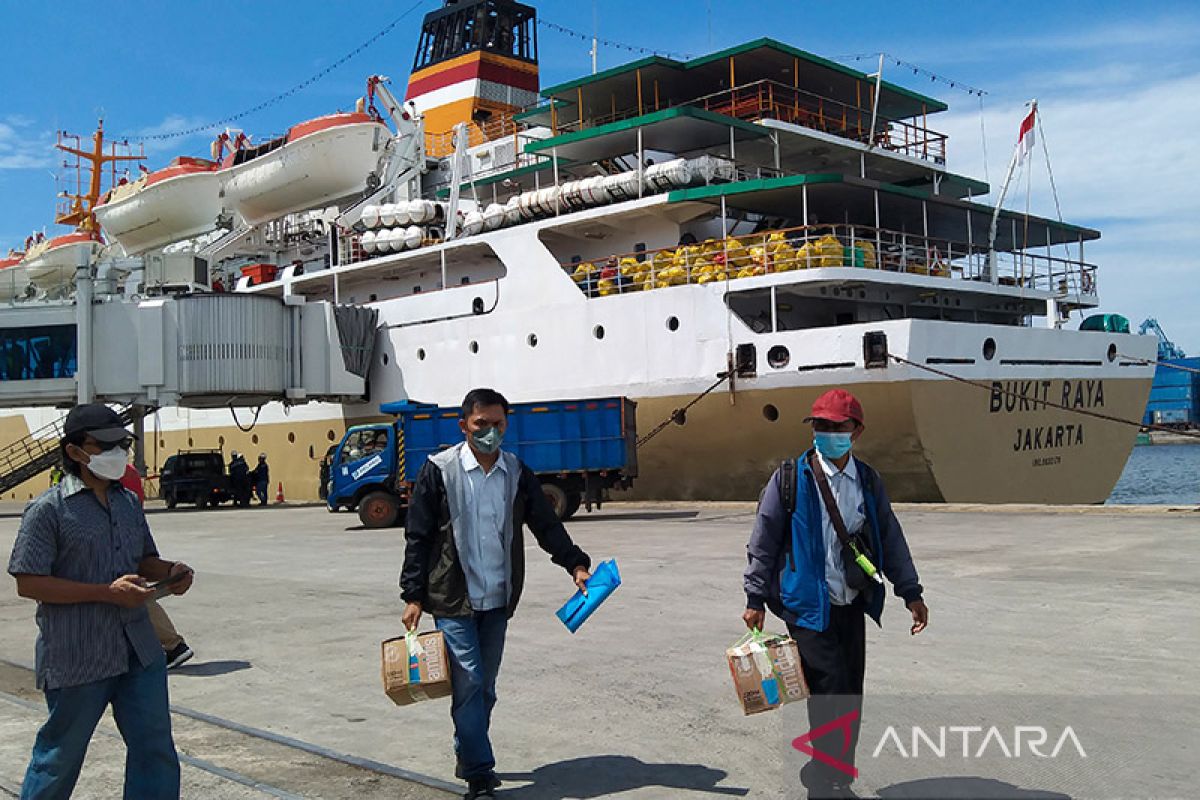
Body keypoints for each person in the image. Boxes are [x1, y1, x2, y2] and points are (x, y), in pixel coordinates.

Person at [400, 388, 592, 800]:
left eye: (498, 424)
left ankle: (466, 748)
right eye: (481, 424)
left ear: (507, 424)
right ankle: (480, 773)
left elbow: (545, 525)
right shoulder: (439, 470)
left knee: (485, 688)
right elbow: (417, 537)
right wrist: (413, 595)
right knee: (468, 683)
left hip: (498, 598)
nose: (490, 432)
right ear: (464, 426)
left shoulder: (516, 472)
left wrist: (574, 562)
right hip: (453, 598)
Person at [743, 389, 928, 800]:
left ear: (855, 431)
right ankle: (826, 784)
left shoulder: (867, 481)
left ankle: (830, 775)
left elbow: (890, 537)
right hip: (807, 607)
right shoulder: (790, 479)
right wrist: (755, 598)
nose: (827, 434)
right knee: (832, 692)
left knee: (850, 695)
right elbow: (764, 539)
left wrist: (910, 591)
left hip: (852, 603)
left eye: (836, 427)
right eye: (820, 426)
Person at [7, 403, 194, 799]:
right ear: (75, 452)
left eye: (121, 444)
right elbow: (29, 582)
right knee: (59, 756)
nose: (117, 454)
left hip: (138, 651)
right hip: (79, 655)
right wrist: (105, 593)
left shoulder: (127, 502)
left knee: (155, 750)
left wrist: (171, 571)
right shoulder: (48, 511)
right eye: (104, 445)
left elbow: (142, 558)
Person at [119, 462, 195, 670]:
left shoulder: (117, 474)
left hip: (122, 529)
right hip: (130, 525)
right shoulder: (128, 471)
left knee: (137, 597)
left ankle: (174, 645)